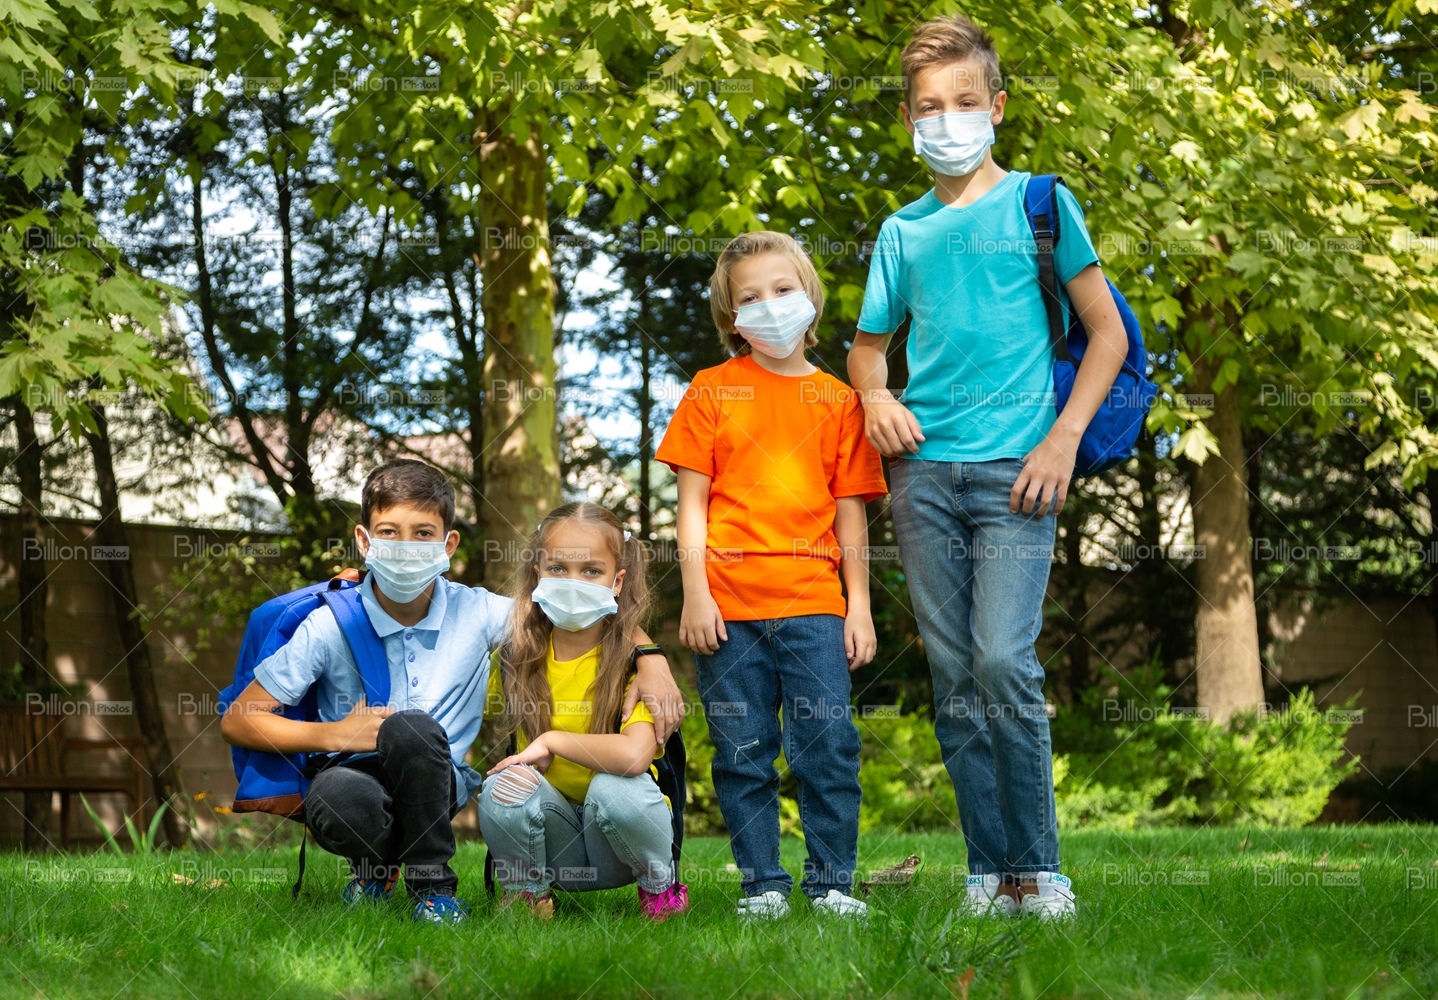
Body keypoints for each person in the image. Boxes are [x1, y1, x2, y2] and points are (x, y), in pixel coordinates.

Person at [846, 16, 1128, 920]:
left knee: (1004, 660)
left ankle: (1040, 871)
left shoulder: (1041, 205)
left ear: (996, 107)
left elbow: (1107, 335)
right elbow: (867, 349)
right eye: (929, 106)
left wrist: (1064, 439)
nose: (947, 119)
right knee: (956, 677)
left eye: (964, 101)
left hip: (1019, 474)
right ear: (907, 120)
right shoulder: (905, 230)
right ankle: (988, 874)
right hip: (924, 476)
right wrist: (875, 398)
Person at [221, 460, 685, 923]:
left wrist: (652, 658)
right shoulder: (330, 625)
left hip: (439, 780)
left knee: (412, 731)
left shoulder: (478, 613)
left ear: (448, 543)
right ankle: (375, 869)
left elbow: (577, 607)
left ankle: (433, 890)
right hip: (354, 775)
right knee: (339, 794)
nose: (406, 547)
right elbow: (239, 719)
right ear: (364, 541)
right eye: (389, 532)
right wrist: (335, 734)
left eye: (423, 533)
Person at [656, 231, 888, 920]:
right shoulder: (711, 391)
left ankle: (832, 884)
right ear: (733, 319)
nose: (770, 304)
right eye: (750, 297)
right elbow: (691, 505)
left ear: (809, 296)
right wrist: (695, 595)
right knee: (742, 751)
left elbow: (851, 515)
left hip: (815, 606)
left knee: (828, 748)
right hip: (727, 611)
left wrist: (859, 606)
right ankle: (762, 887)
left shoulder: (840, 401)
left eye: (783, 289)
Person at [477, 502, 689, 922]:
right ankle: (527, 897)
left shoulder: (636, 668)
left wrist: (552, 740)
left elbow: (634, 757)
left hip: (620, 848)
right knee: (504, 785)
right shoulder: (514, 659)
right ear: (538, 573)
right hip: (552, 843)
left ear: (617, 581)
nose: (573, 582)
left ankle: (660, 892)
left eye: (591, 571)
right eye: (558, 568)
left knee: (616, 787)